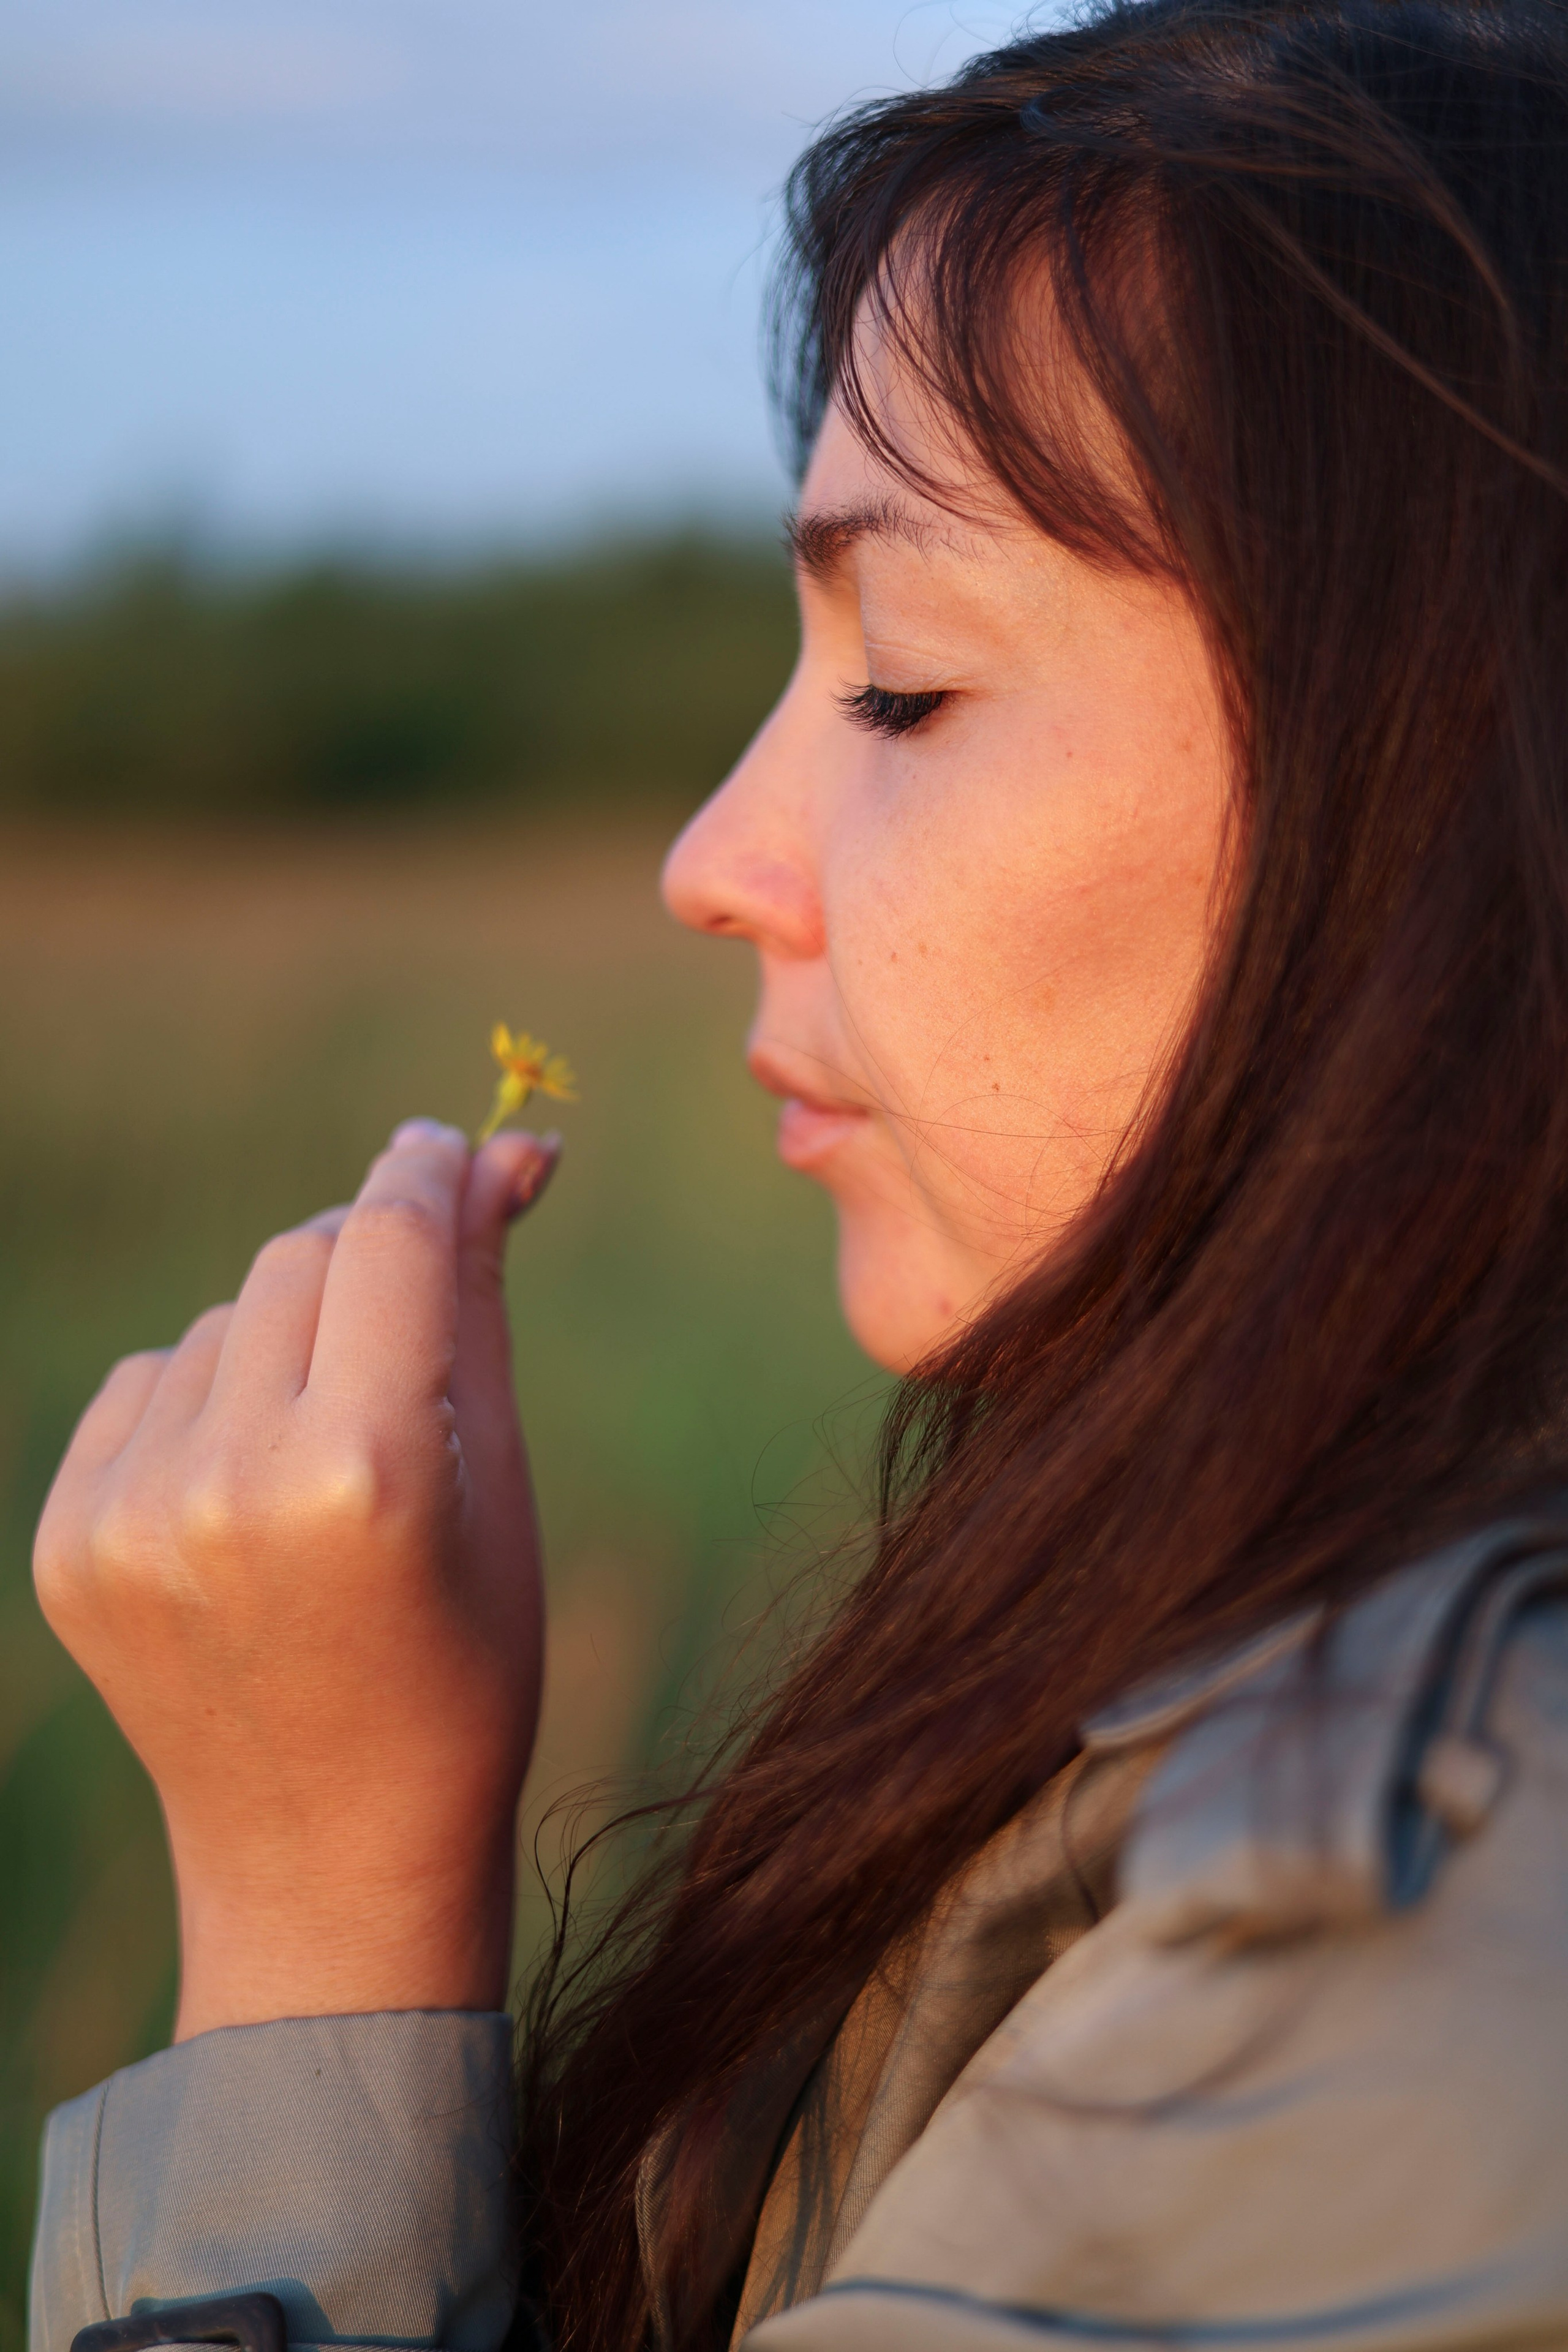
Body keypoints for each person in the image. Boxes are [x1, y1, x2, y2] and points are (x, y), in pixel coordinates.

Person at [27, 1, 1568, 2346]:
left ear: (1461, 786)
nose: (713, 859)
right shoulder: (1237, 1734)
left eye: (904, 686)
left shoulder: (1401, 1971)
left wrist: (316, 1914)